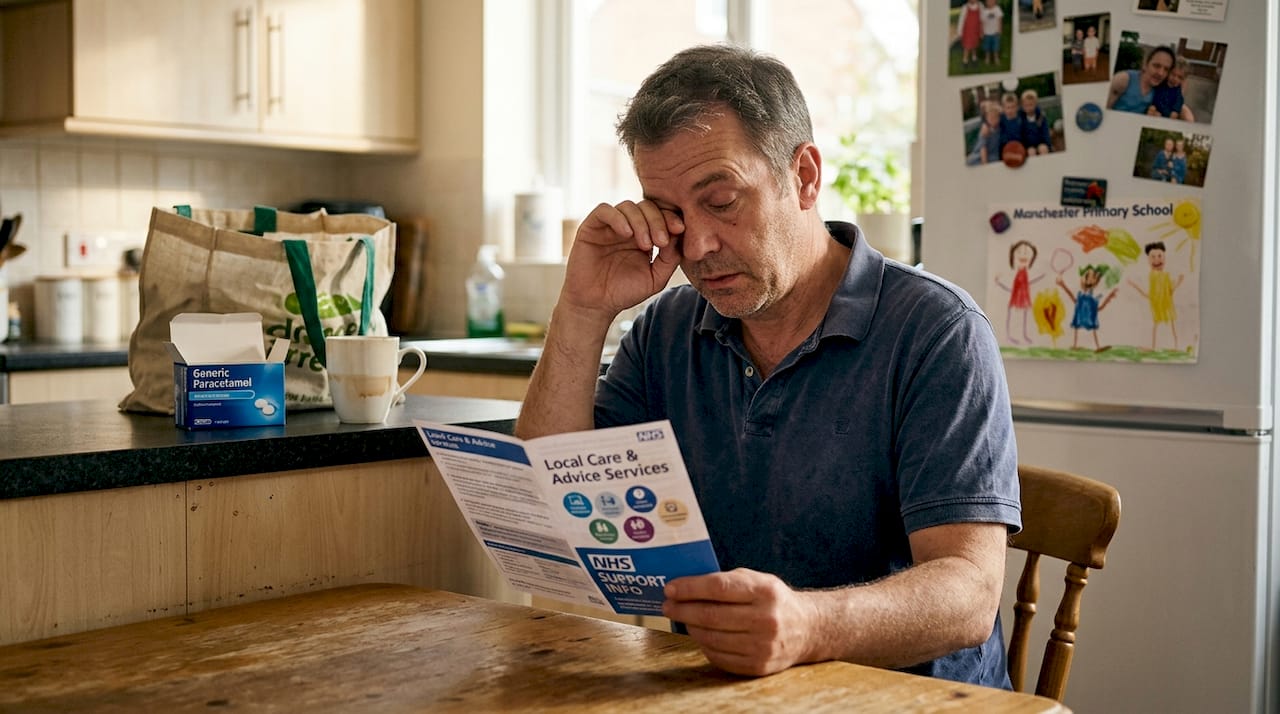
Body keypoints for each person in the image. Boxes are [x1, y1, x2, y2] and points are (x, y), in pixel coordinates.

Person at [515, 44, 1020, 686]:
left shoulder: (936, 331)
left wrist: (808, 627)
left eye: (722, 201)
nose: (696, 246)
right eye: (671, 215)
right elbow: (550, 506)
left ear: (805, 176)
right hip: (728, 694)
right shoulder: (666, 331)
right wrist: (583, 308)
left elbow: (970, 594)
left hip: (913, 700)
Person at [1127, 241, 1184, 350]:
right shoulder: (1151, 276)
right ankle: (1155, 347)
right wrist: (1135, 285)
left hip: (1166, 306)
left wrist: (1178, 282)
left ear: (1164, 257)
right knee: (1156, 327)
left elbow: (1170, 290)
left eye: (1159, 256)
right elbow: (1150, 293)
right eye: (1152, 257)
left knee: (1170, 326)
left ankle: (1175, 346)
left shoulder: (1165, 276)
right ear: (1148, 260)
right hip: (1156, 307)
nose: (1156, 260)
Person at [1056, 265, 1118, 350]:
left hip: (1089, 316)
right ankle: (1075, 345)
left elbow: (1099, 308)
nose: (1090, 280)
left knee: (1092, 329)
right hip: (1080, 315)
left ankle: (1097, 346)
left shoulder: (1095, 295)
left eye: (1093, 278)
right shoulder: (1081, 293)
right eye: (1088, 277)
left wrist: (1109, 297)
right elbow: (1074, 299)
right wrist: (1062, 285)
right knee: (1078, 328)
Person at [1107, 45, 1175, 114]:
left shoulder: (1160, 90)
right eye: (1156, 66)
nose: (1161, 73)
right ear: (1145, 64)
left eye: (1166, 69)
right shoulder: (1123, 80)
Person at [1149, 55, 1196, 122]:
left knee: (1174, 115)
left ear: (1183, 79)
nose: (1175, 79)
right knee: (1151, 109)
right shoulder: (1162, 83)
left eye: (1179, 77)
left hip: (1169, 111)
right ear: (1168, 72)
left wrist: (1175, 111)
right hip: (1157, 107)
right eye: (1173, 74)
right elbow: (1155, 95)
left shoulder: (1177, 89)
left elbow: (1179, 100)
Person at [1017, 89, 1052, 155]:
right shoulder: (1020, 118)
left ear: (1035, 104)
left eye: (1031, 105)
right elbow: (1020, 134)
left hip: (1041, 143)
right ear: (1023, 105)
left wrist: (1047, 145)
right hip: (1028, 146)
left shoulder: (1041, 116)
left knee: (1043, 149)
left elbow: (1045, 133)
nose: (1029, 108)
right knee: (1031, 151)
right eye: (1026, 105)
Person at [957, 0, 983, 67]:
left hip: (976, 30)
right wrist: (959, 31)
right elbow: (961, 20)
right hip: (967, 31)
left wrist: (982, 30)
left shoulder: (980, 6)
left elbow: (982, 18)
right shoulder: (965, 7)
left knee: (975, 45)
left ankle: (974, 59)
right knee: (967, 46)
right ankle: (965, 60)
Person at [980, 0, 1004, 65]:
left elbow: (1000, 19)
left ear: (995, 1)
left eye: (992, 0)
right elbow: (982, 22)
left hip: (995, 32)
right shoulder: (984, 11)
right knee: (987, 47)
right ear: (985, 2)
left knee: (996, 46)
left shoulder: (997, 9)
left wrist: (1000, 29)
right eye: (988, 1)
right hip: (986, 33)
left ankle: (996, 58)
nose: (990, 2)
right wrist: (981, 32)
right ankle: (987, 58)